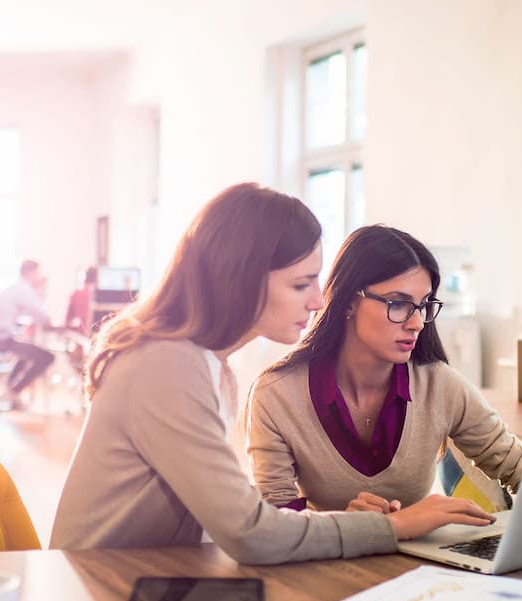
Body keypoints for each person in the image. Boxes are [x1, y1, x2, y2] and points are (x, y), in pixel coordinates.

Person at [50, 183, 495, 565]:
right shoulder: (167, 364)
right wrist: (393, 527)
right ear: (240, 279)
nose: (319, 301)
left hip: (153, 575)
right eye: (301, 284)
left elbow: (236, 515)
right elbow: (250, 532)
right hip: (101, 587)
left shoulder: (208, 366)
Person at [247, 225, 522, 514]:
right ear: (347, 301)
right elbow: (275, 517)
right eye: (398, 303)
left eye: (423, 305)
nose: (417, 322)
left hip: (419, 558)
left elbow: (521, 469)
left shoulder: (441, 385)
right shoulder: (276, 394)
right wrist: (349, 525)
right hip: (326, 559)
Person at [0, 259, 56, 408]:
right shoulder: (24, 289)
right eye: (38, 273)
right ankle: (13, 392)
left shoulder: (13, 288)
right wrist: (41, 292)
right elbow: (42, 317)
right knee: (47, 357)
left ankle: (11, 392)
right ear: (31, 273)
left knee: (26, 355)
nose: (40, 277)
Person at [65, 266, 97, 335]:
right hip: (99, 340)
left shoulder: (76, 293)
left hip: (81, 340)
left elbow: (67, 322)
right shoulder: (101, 295)